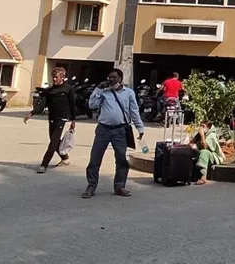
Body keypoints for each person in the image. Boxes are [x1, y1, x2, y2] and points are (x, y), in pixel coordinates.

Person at [82, 68, 145, 199]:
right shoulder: (104, 92)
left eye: (114, 77)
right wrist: (98, 89)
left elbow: (134, 111)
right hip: (103, 129)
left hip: (120, 131)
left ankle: (119, 186)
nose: (110, 80)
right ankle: (91, 186)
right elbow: (92, 105)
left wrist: (140, 128)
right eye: (109, 77)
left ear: (120, 79)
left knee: (121, 159)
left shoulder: (129, 93)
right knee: (95, 159)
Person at [24, 67, 76, 173]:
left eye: (56, 77)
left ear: (62, 77)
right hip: (52, 117)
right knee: (54, 141)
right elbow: (42, 105)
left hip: (62, 118)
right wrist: (31, 113)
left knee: (53, 142)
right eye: (53, 77)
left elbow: (72, 104)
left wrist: (73, 120)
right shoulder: (49, 91)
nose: (54, 79)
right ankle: (65, 158)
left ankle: (44, 164)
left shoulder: (68, 89)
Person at [192, 121, 225, 185]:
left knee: (204, 152)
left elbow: (205, 147)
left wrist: (202, 135)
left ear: (208, 127)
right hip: (202, 154)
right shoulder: (201, 134)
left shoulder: (212, 135)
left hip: (214, 156)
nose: (201, 128)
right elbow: (192, 142)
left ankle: (203, 177)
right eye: (200, 126)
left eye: (203, 126)